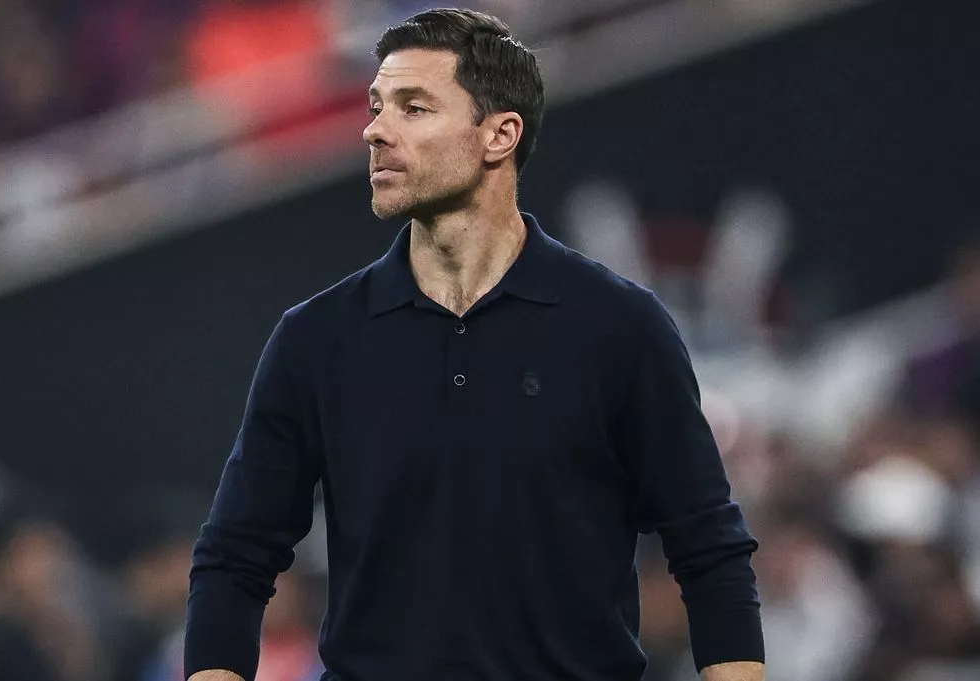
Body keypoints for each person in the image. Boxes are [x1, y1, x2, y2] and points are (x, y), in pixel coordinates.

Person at [184, 9, 764, 681]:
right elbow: (234, 555)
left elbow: (708, 546)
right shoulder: (315, 339)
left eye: (414, 108)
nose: (375, 129)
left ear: (499, 134)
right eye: (376, 107)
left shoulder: (618, 326)